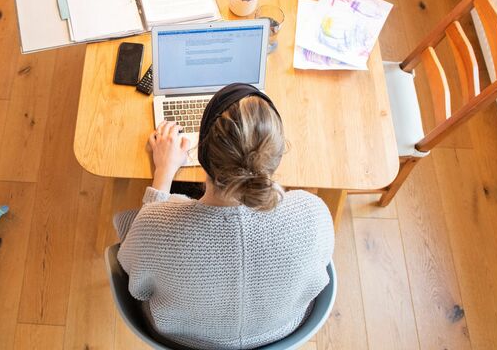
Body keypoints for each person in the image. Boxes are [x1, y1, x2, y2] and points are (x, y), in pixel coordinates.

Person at [115, 83, 334, 349]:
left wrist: (163, 174)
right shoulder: (313, 214)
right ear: (275, 158)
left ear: (203, 155)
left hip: (182, 340)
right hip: (279, 333)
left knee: (130, 226)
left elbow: (134, 279)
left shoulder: (156, 227)